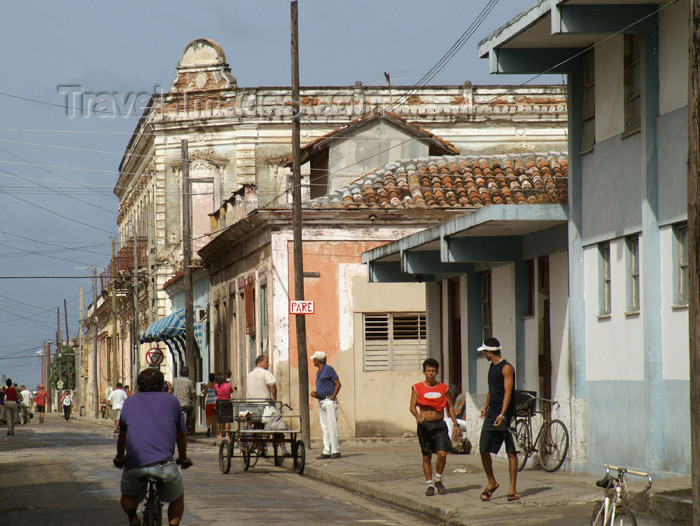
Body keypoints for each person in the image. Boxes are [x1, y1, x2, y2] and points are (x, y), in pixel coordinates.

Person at [113, 367, 192, 526]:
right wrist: (183, 457)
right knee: (177, 496)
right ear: (162, 385)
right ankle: (173, 523)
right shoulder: (172, 401)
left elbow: (122, 436)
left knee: (127, 496)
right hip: (165, 465)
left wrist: (120, 458)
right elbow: (180, 435)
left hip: (135, 465)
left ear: (139, 386)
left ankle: (133, 518)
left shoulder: (129, 402)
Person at [410, 358, 461, 496]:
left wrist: (456, 424)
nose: (431, 373)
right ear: (424, 372)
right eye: (428, 371)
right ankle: (429, 484)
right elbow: (412, 406)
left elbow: (450, 406)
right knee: (426, 456)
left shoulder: (443, 388)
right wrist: (418, 417)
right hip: (425, 426)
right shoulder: (417, 387)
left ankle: (438, 479)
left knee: (442, 454)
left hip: (439, 425)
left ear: (437, 372)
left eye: (433, 371)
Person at [478, 337, 519, 502]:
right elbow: (492, 389)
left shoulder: (506, 367)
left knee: (511, 451)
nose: (484, 355)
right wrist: (486, 406)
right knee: (483, 448)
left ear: (489, 352)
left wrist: (502, 414)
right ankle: (492, 482)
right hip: (492, 414)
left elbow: (508, 392)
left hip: (506, 415)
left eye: (484, 352)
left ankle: (512, 489)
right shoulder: (491, 367)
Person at [310, 351, 341, 460]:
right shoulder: (318, 372)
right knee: (325, 427)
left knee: (331, 426)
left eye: (314, 359)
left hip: (329, 401)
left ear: (318, 360)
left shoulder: (329, 369)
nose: (313, 361)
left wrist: (332, 398)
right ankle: (327, 450)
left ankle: (335, 450)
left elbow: (338, 384)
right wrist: (316, 394)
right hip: (322, 401)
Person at [171, 367, 195, 434]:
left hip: (176, 404)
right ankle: (188, 423)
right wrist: (191, 399)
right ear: (187, 373)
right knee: (191, 409)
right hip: (186, 404)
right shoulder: (189, 381)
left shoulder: (175, 380)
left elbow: (171, 390)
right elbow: (192, 393)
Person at [214, 373, 233, 439]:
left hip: (219, 402)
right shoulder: (228, 385)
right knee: (227, 418)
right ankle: (227, 434)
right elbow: (231, 391)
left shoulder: (216, 386)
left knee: (220, 418)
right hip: (227, 401)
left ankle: (220, 434)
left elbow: (216, 393)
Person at [201, 373, 217, 437]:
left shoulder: (207, 386)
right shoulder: (216, 385)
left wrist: (203, 404)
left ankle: (208, 428)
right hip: (215, 402)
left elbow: (204, 395)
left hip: (209, 403)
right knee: (216, 418)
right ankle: (217, 431)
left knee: (208, 418)